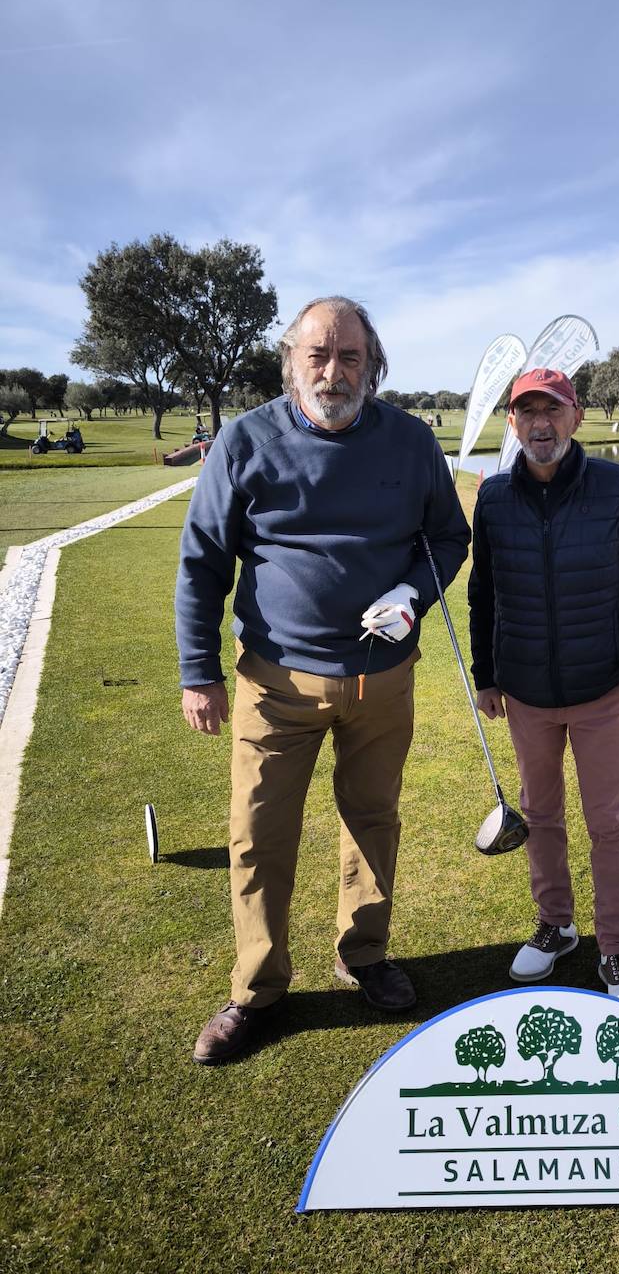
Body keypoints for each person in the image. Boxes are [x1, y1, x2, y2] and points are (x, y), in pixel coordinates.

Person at [176, 295, 470, 1064]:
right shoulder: (245, 440)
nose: (333, 371)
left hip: (383, 679)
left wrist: (412, 593)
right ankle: (258, 989)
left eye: (350, 357)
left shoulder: (409, 442)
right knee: (259, 835)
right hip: (274, 682)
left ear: (373, 365)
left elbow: (446, 534)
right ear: (291, 361)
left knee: (372, 819)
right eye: (318, 354)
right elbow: (203, 563)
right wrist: (197, 672)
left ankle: (363, 954)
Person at [468, 368, 619, 1009]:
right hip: (526, 692)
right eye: (526, 413)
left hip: (600, 688)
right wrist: (487, 674)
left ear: (575, 416)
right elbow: (484, 592)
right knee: (544, 816)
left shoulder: (614, 486)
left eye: (551, 411)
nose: (540, 424)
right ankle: (556, 926)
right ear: (512, 425)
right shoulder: (495, 498)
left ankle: (616, 949)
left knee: (607, 824)